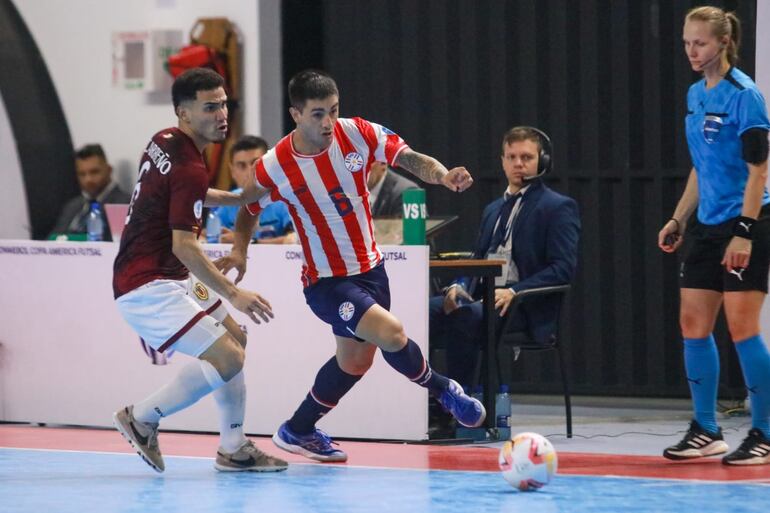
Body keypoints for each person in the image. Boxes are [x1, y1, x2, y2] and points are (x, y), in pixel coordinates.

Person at [218, 69, 482, 462]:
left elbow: (408, 158)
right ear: (296, 114)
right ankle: (445, 390)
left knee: (355, 361)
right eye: (317, 114)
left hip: (372, 270)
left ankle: (298, 429)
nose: (328, 122)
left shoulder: (357, 132)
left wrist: (443, 175)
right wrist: (241, 250)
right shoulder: (276, 164)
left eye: (333, 110)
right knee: (391, 333)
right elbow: (247, 208)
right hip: (326, 282)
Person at [111, 67, 287, 473]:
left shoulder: (164, 140)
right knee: (228, 357)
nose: (221, 114)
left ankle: (233, 448)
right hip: (146, 287)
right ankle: (141, 418)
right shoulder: (190, 165)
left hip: (165, 275)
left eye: (224, 105)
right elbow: (185, 246)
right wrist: (234, 293)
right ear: (184, 112)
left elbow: (185, 193)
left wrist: (237, 199)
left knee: (235, 340)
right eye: (210, 107)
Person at [659, 6, 770, 466]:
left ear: (723, 42)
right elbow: (701, 166)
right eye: (687, 43)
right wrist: (679, 218)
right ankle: (706, 429)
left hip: (747, 223)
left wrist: (744, 233)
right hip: (706, 224)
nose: (692, 50)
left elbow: (759, 169)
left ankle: (765, 433)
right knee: (693, 324)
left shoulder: (745, 96)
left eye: (700, 43)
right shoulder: (695, 93)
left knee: (742, 328)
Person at [429, 126, 580, 389]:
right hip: (482, 296)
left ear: (543, 161)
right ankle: (420, 398)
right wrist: (458, 285)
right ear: (503, 161)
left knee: (465, 318)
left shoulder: (557, 207)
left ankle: (458, 402)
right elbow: (478, 258)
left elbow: (562, 268)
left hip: (522, 304)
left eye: (527, 157)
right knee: (422, 311)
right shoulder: (493, 209)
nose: (518, 164)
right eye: (512, 157)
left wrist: (514, 291)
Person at [217, 135, 296, 244]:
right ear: (232, 171)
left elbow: (295, 240)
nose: (249, 172)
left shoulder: (286, 199)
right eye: (241, 165)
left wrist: (248, 241)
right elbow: (210, 238)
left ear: (268, 165)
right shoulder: (226, 204)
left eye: (255, 163)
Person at [49, 144, 131, 240]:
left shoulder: (124, 204)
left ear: (109, 170)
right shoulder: (72, 206)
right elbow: (52, 241)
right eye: (82, 174)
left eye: (94, 172)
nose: (88, 179)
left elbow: (116, 244)